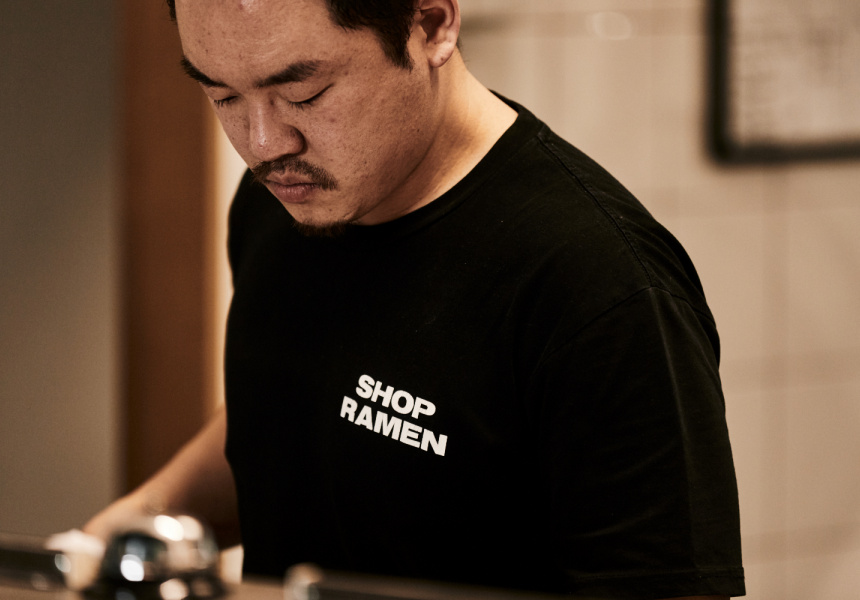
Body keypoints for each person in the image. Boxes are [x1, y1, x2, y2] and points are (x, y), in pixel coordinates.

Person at [85, 0, 745, 598]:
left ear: (430, 26)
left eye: (304, 94)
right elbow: (291, 410)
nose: (264, 146)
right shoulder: (278, 203)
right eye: (223, 95)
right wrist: (124, 529)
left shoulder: (601, 288)